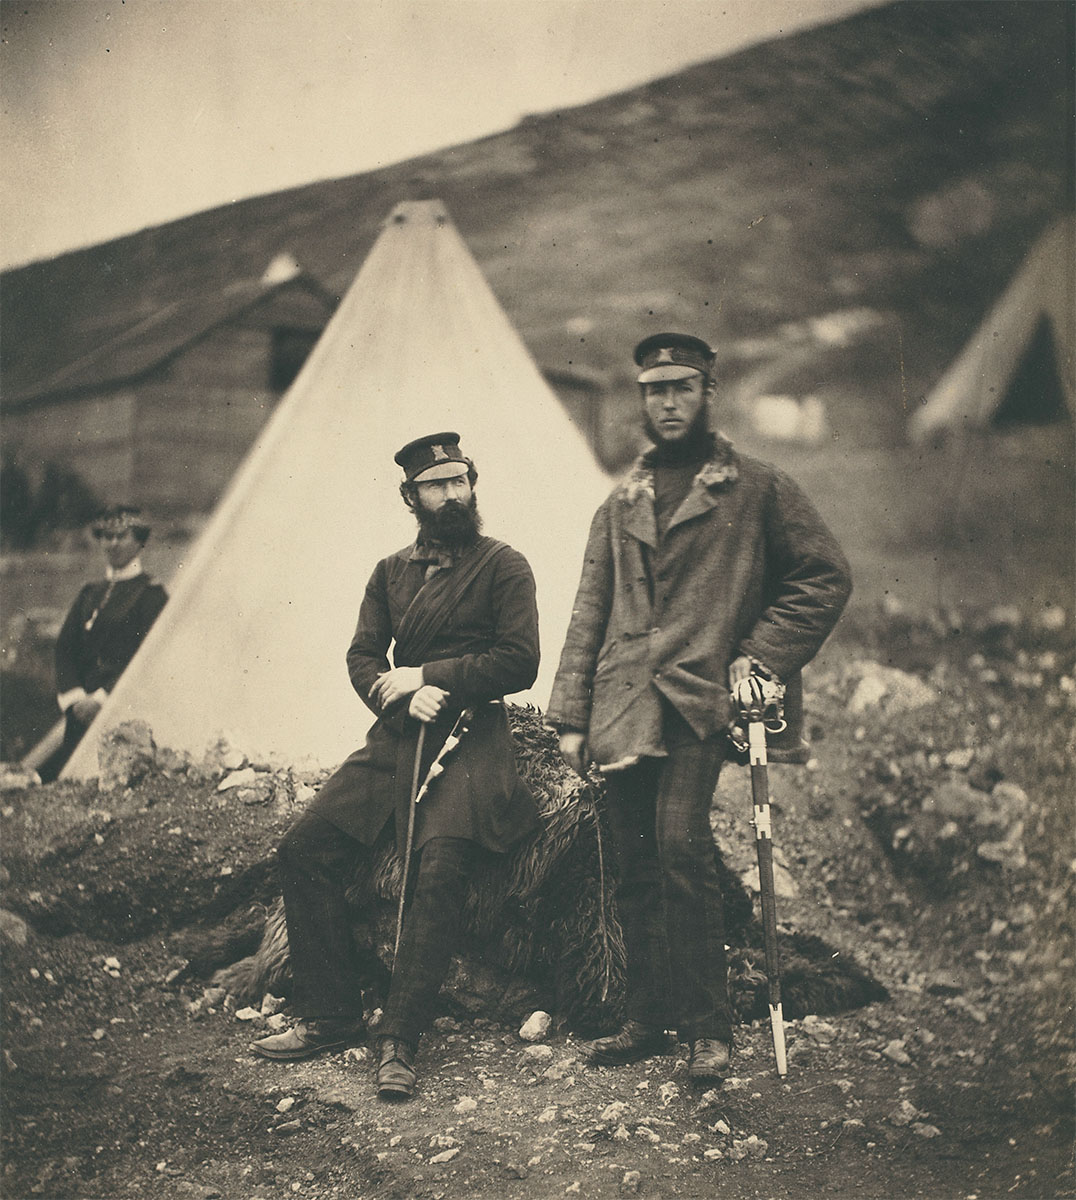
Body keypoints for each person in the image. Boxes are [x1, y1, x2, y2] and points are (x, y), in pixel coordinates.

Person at [547, 333, 852, 1083]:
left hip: (700, 701)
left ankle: (709, 1033)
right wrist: (572, 717)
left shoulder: (757, 488)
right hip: (624, 706)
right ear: (642, 400)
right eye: (655, 390)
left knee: (680, 849)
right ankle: (648, 1018)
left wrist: (761, 655)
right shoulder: (620, 503)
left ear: (709, 393)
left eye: (683, 387)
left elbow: (822, 577)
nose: (669, 402)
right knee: (636, 867)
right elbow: (589, 612)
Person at [252, 431, 540, 1102]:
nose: (452, 495)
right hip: (398, 736)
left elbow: (519, 660)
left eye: (461, 480)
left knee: (436, 862)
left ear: (473, 485)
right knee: (304, 848)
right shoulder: (390, 573)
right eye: (437, 486)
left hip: (474, 735)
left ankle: (401, 1040)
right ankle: (330, 1015)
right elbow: (361, 655)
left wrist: (431, 675)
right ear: (410, 496)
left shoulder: (504, 565)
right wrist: (392, 689)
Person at [42, 505, 168, 781]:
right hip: (79, 714)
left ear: (139, 541)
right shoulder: (89, 593)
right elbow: (65, 648)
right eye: (105, 536)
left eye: (121, 536)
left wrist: (101, 699)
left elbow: (148, 658)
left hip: (121, 709)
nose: (112, 544)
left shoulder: (151, 596)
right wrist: (75, 698)